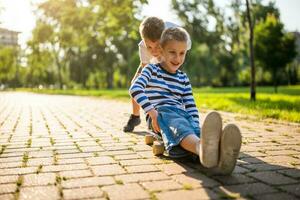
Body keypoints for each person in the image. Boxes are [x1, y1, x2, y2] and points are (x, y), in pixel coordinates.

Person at [129, 27, 242, 174]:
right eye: (172, 52)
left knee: (195, 129)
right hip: (160, 115)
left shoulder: (183, 78)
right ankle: (201, 148)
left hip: (182, 115)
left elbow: (190, 104)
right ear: (161, 51)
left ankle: (220, 156)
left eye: (182, 53)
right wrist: (152, 112)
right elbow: (135, 89)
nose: (177, 58)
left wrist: (194, 123)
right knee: (178, 123)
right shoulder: (151, 69)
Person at [123, 16, 191, 132]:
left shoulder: (177, 36)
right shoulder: (143, 47)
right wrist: (152, 112)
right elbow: (147, 76)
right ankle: (135, 116)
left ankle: (177, 111)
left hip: (172, 53)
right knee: (136, 82)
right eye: (149, 46)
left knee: (172, 82)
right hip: (154, 61)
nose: (153, 51)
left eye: (157, 46)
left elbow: (181, 51)